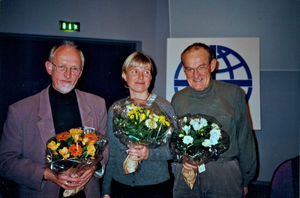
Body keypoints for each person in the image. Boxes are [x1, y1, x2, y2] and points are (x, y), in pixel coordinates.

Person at [0, 41, 108, 198]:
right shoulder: (20, 111)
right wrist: (48, 174)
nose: (68, 74)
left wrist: (94, 166)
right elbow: (5, 162)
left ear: (80, 72)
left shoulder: (97, 104)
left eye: (74, 68)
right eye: (62, 67)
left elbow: (104, 149)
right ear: (49, 68)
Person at [171, 42, 257, 198]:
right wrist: (181, 160)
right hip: (187, 173)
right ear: (184, 70)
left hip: (224, 174)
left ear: (212, 65)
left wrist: (246, 179)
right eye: (190, 69)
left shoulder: (233, 94)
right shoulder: (178, 99)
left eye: (201, 67)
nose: (195, 75)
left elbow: (244, 138)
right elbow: (173, 140)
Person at [102, 52, 175, 198]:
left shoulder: (164, 107)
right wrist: (106, 190)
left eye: (146, 72)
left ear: (151, 77)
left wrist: (150, 154)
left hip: (156, 187)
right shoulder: (116, 109)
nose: (141, 77)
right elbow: (113, 152)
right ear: (124, 75)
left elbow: (175, 149)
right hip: (121, 186)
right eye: (134, 71)